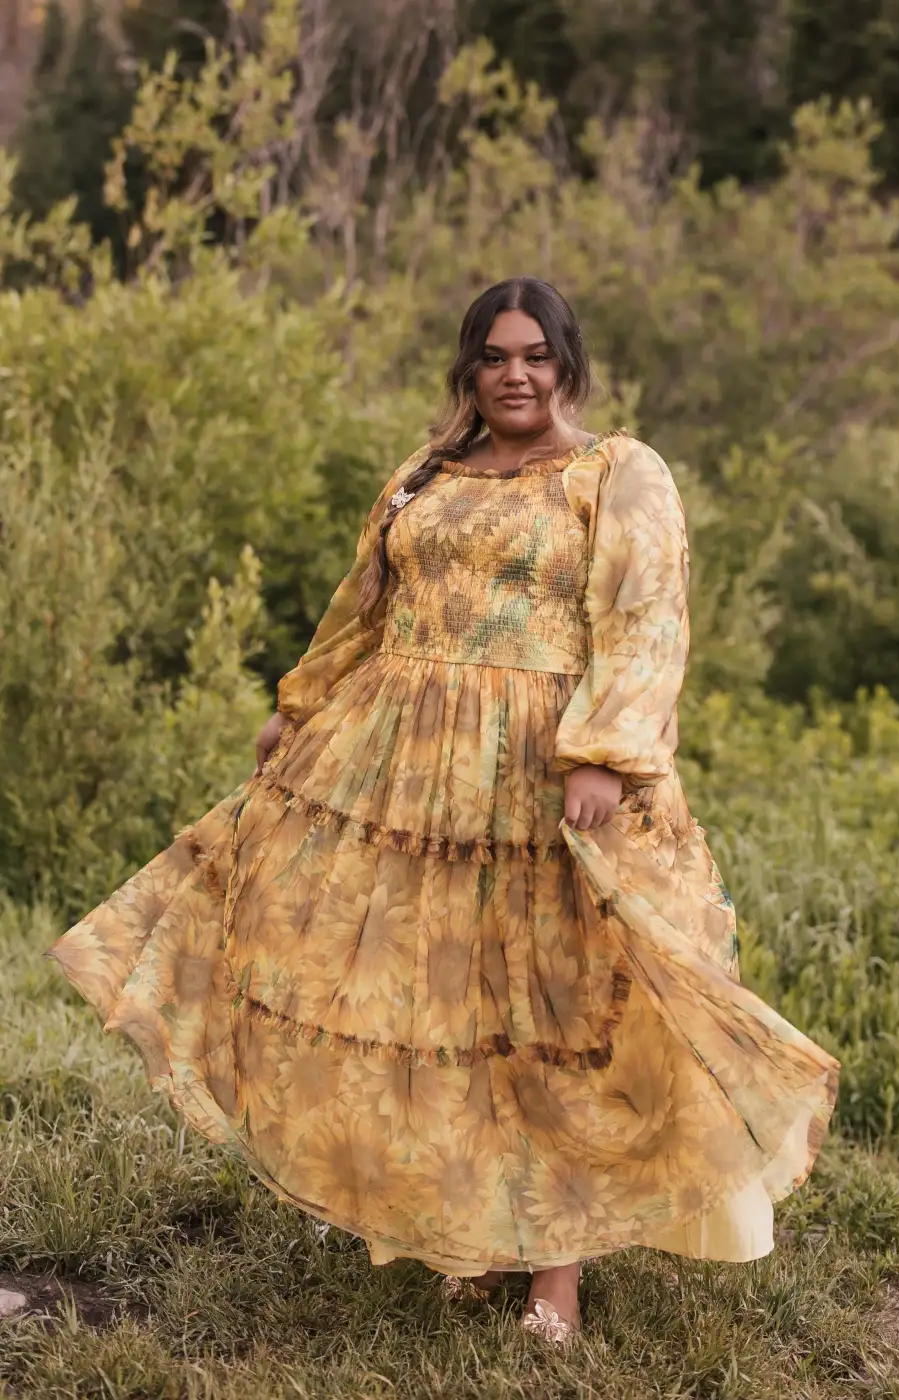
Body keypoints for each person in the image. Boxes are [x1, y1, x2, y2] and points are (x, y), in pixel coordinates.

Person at [49, 276, 839, 1345]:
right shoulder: (424, 474)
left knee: (547, 1014)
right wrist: (300, 703)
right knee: (442, 1005)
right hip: (406, 772)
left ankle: (554, 1278)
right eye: (495, 356)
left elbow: (645, 619)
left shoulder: (616, 473)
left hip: (539, 770)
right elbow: (363, 606)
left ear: (567, 365)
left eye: (536, 356)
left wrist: (604, 755)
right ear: (468, 368)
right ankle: (474, 1233)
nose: (516, 375)